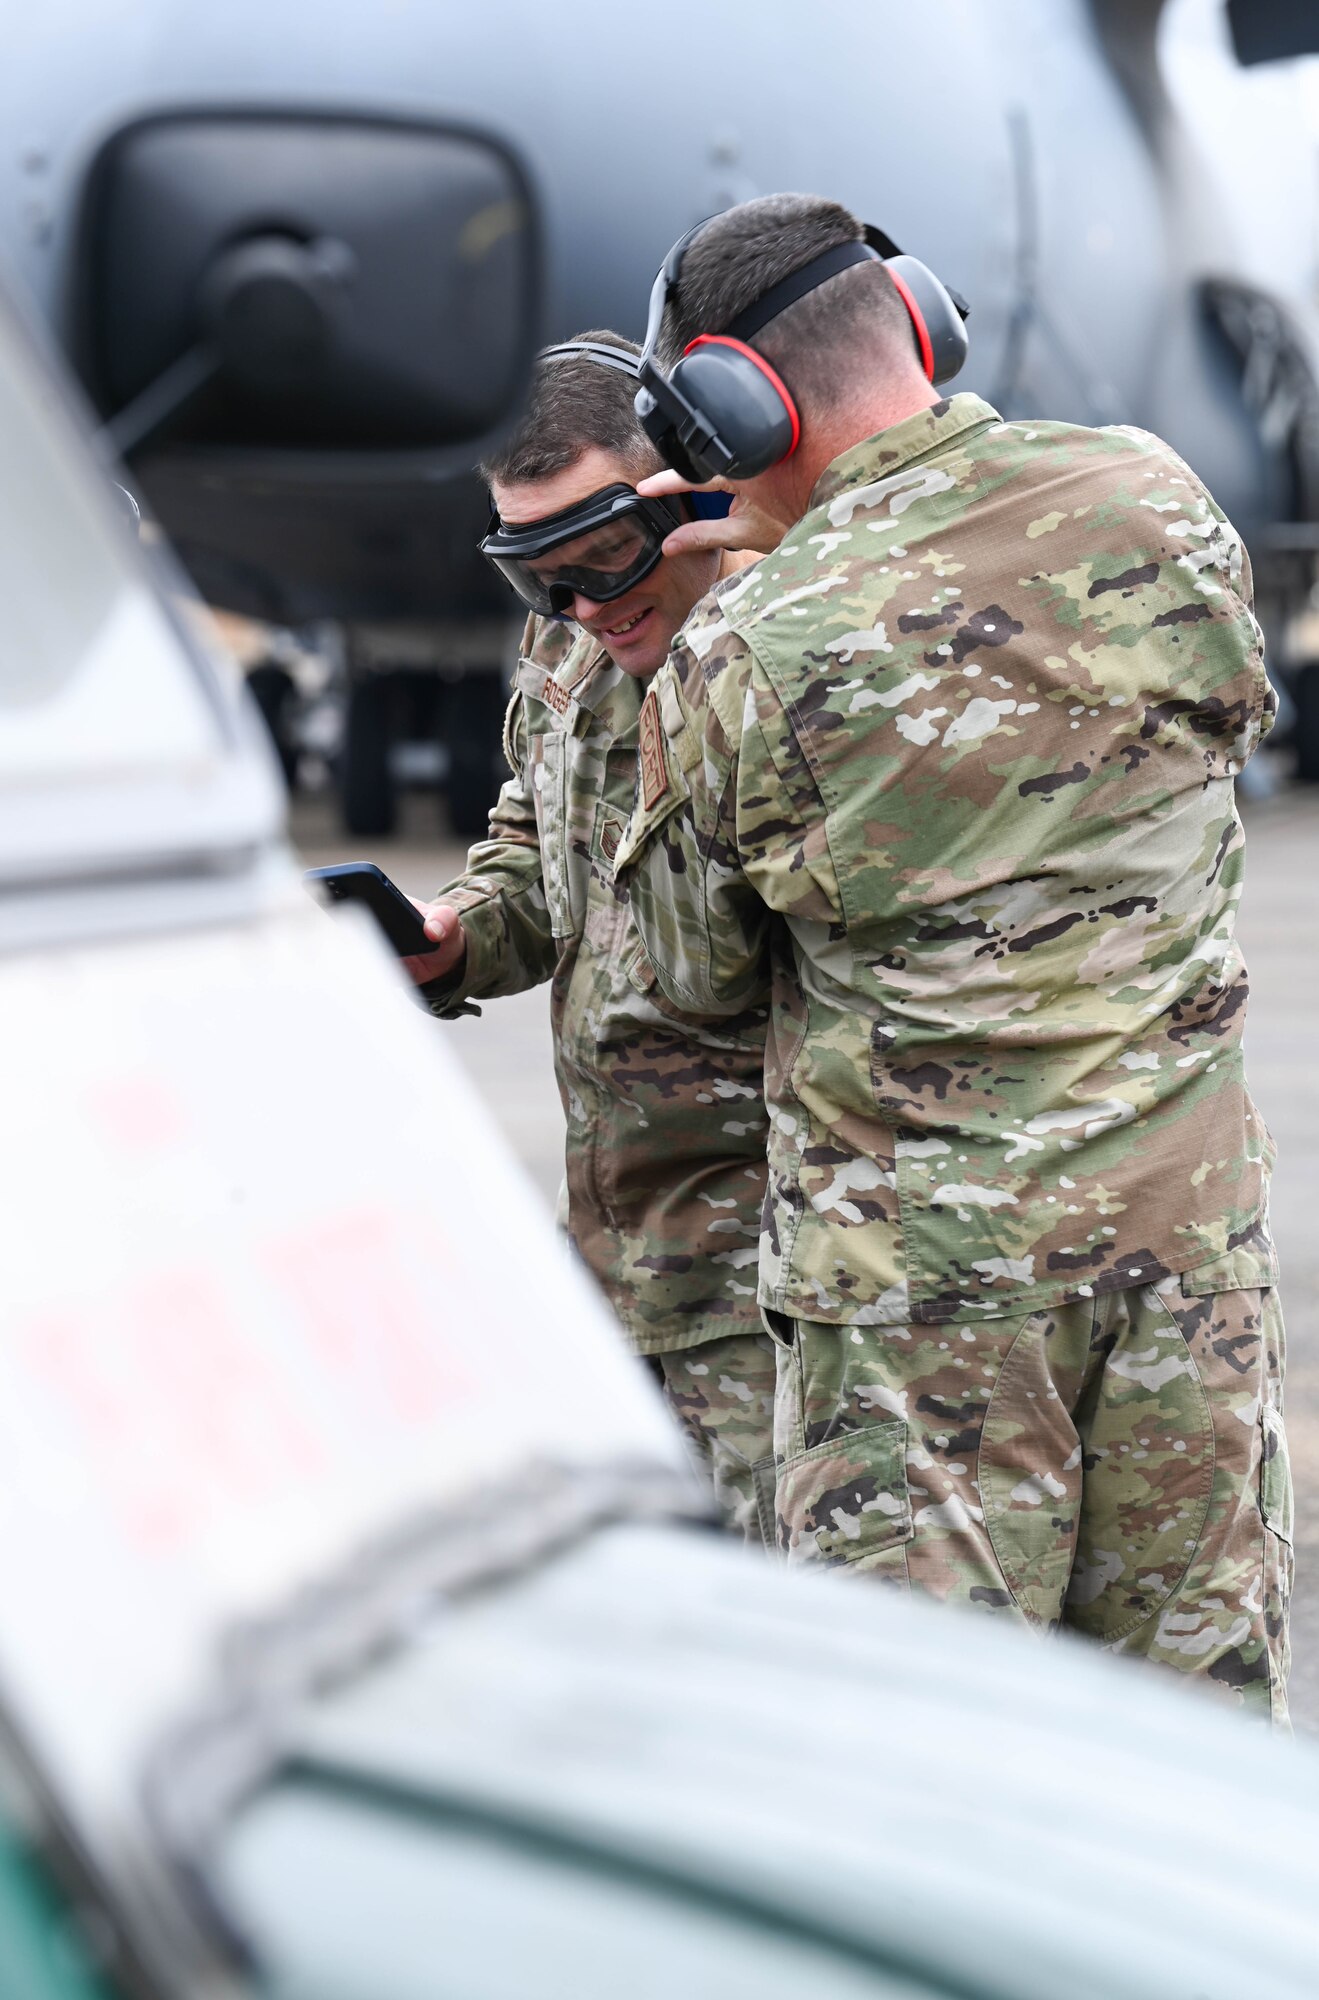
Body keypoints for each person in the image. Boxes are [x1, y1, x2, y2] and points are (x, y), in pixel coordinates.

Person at [613, 195, 1292, 1720]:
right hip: (1184, 1254)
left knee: (930, 1763)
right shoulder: (1152, 498)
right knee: (1200, 1746)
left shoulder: (753, 641)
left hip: (920, 1315)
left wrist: (744, 596)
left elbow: (685, 977)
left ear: (728, 406)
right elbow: (1221, 722)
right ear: (919, 322)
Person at [403, 333, 777, 1539]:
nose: (583, 602)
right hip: (621, 1266)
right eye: (536, 574)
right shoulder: (571, 638)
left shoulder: (797, 651)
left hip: (773, 1281)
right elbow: (535, 847)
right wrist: (454, 934)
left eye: (608, 552)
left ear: (685, 483)